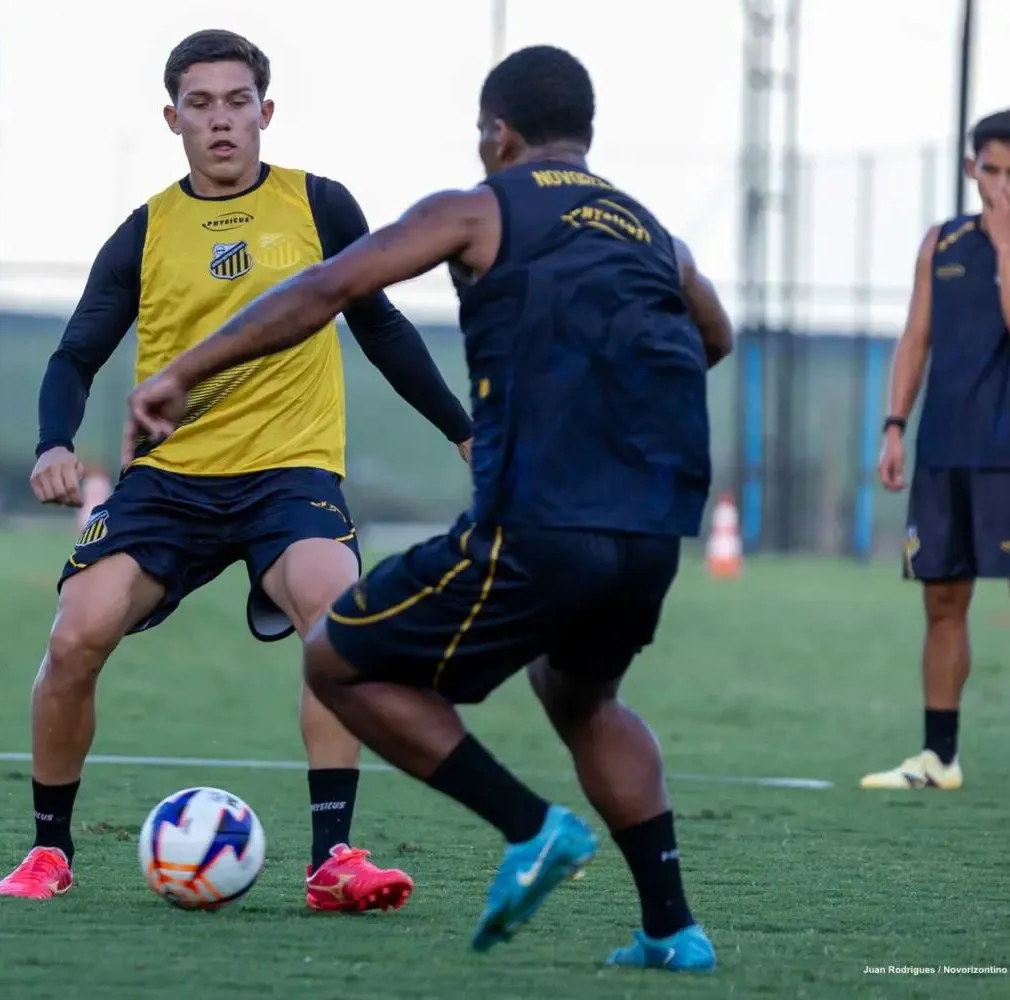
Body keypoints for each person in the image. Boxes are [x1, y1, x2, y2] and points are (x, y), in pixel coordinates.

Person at [126, 45, 731, 972]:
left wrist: (181, 373)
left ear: (498, 135)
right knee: (581, 694)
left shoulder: (477, 207)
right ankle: (672, 930)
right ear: (586, 135)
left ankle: (530, 829)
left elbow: (331, 288)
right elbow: (714, 337)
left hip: (541, 522)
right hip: (649, 530)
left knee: (336, 658)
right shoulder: (654, 234)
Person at [0, 29, 474, 910]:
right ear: (173, 118)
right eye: (202, 105)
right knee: (74, 639)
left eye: (238, 102)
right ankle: (49, 853)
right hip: (168, 483)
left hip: (289, 477)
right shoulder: (145, 230)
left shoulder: (321, 207)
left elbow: (384, 331)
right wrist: (52, 443)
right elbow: (74, 355)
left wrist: (460, 430)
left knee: (340, 624)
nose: (222, 121)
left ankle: (334, 860)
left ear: (267, 111)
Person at [865, 109, 1010, 797]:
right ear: (972, 168)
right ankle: (938, 758)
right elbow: (915, 337)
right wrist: (895, 424)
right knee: (942, 597)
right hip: (944, 448)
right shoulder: (940, 243)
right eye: (991, 170)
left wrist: (1003, 245)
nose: (1002, 185)